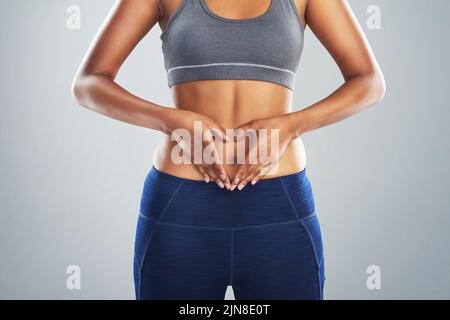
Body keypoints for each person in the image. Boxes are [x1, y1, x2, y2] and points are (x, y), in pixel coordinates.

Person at [72, 0, 386, 300]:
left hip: (279, 206)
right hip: (182, 207)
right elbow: (88, 82)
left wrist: (292, 126)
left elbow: (369, 81)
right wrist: (171, 121)